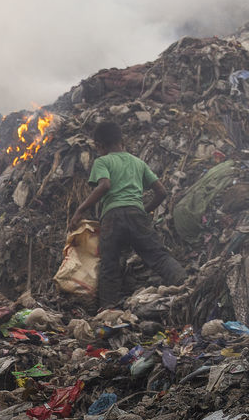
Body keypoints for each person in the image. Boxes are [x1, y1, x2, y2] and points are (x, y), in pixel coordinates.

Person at [71, 120, 187, 311]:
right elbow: (162, 192)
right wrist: (144, 209)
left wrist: (80, 210)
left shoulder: (102, 161)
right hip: (136, 214)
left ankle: (107, 309)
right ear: (121, 140)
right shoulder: (138, 162)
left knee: (110, 264)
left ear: (99, 145)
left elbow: (105, 185)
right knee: (157, 255)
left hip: (112, 217)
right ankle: (186, 284)